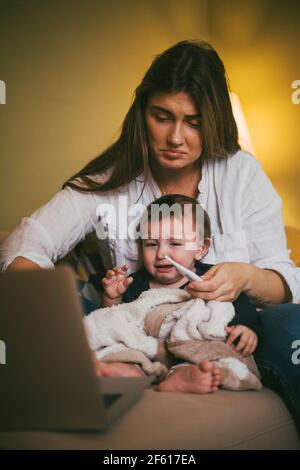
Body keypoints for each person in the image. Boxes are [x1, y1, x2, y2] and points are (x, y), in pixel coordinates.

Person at [0, 40, 299, 428]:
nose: (176, 138)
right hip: (141, 330)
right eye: (163, 116)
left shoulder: (241, 173)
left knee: (290, 322)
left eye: (194, 122)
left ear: (214, 121)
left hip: (231, 331)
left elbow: (283, 280)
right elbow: (27, 244)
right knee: (70, 299)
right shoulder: (107, 180)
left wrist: (245, 276)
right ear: (142, 112)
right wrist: (58, 331)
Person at [96, 194, 262, 393]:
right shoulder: (135, 283)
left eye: (174, 243)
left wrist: (246, 328)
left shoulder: (212, 278)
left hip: (190, 348)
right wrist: (113, 296)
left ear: (201, 248)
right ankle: (129, 371)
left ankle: (183, 375)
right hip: (149, 351)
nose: (161, 254)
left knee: (210, 353)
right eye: (151, 244)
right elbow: (115, 321)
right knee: (127, 352)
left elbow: (239, 304)